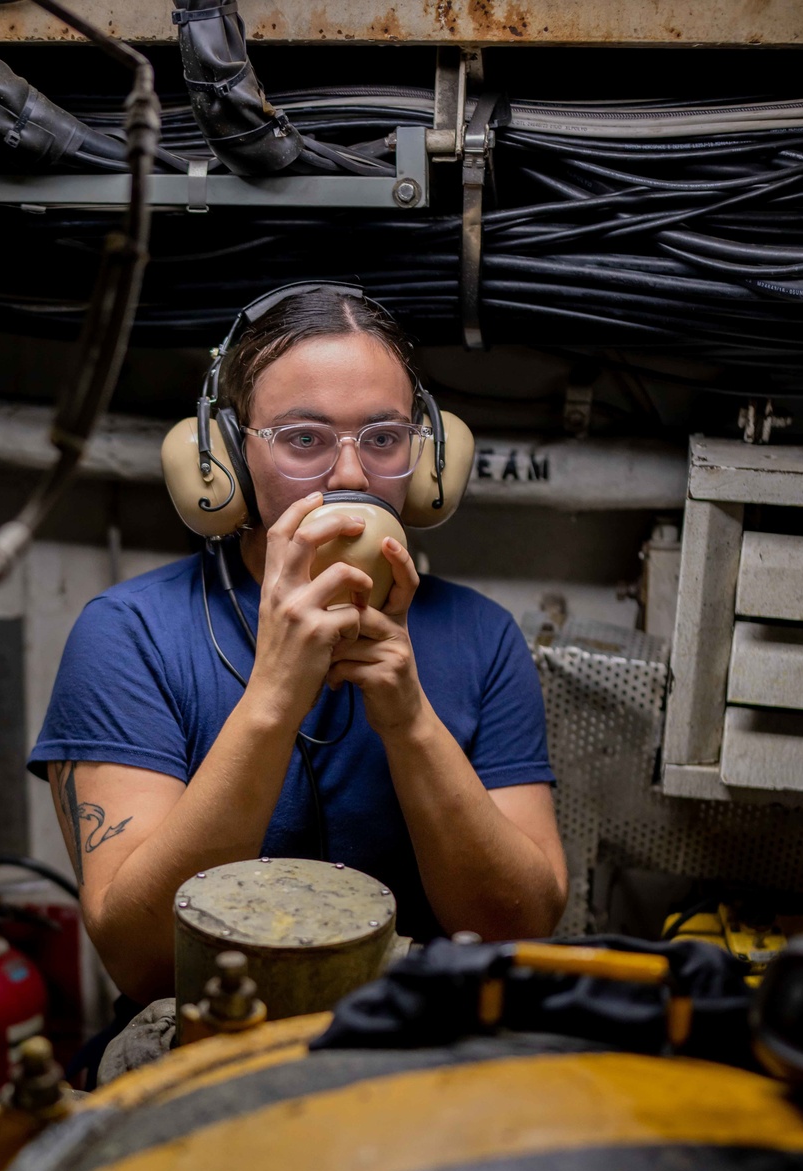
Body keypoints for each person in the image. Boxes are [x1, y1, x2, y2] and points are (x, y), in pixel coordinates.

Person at [29, 287, 568, 1004]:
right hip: (212, 1039)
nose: (350, 475)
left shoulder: (482, 636)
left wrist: (410, 725)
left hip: (419, 1043)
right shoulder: (130, 634)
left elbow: (519, 932)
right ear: (221, 458)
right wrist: (274, 700)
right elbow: (145, 958)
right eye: (304, 439)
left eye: (383, 438)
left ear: (427, 451)